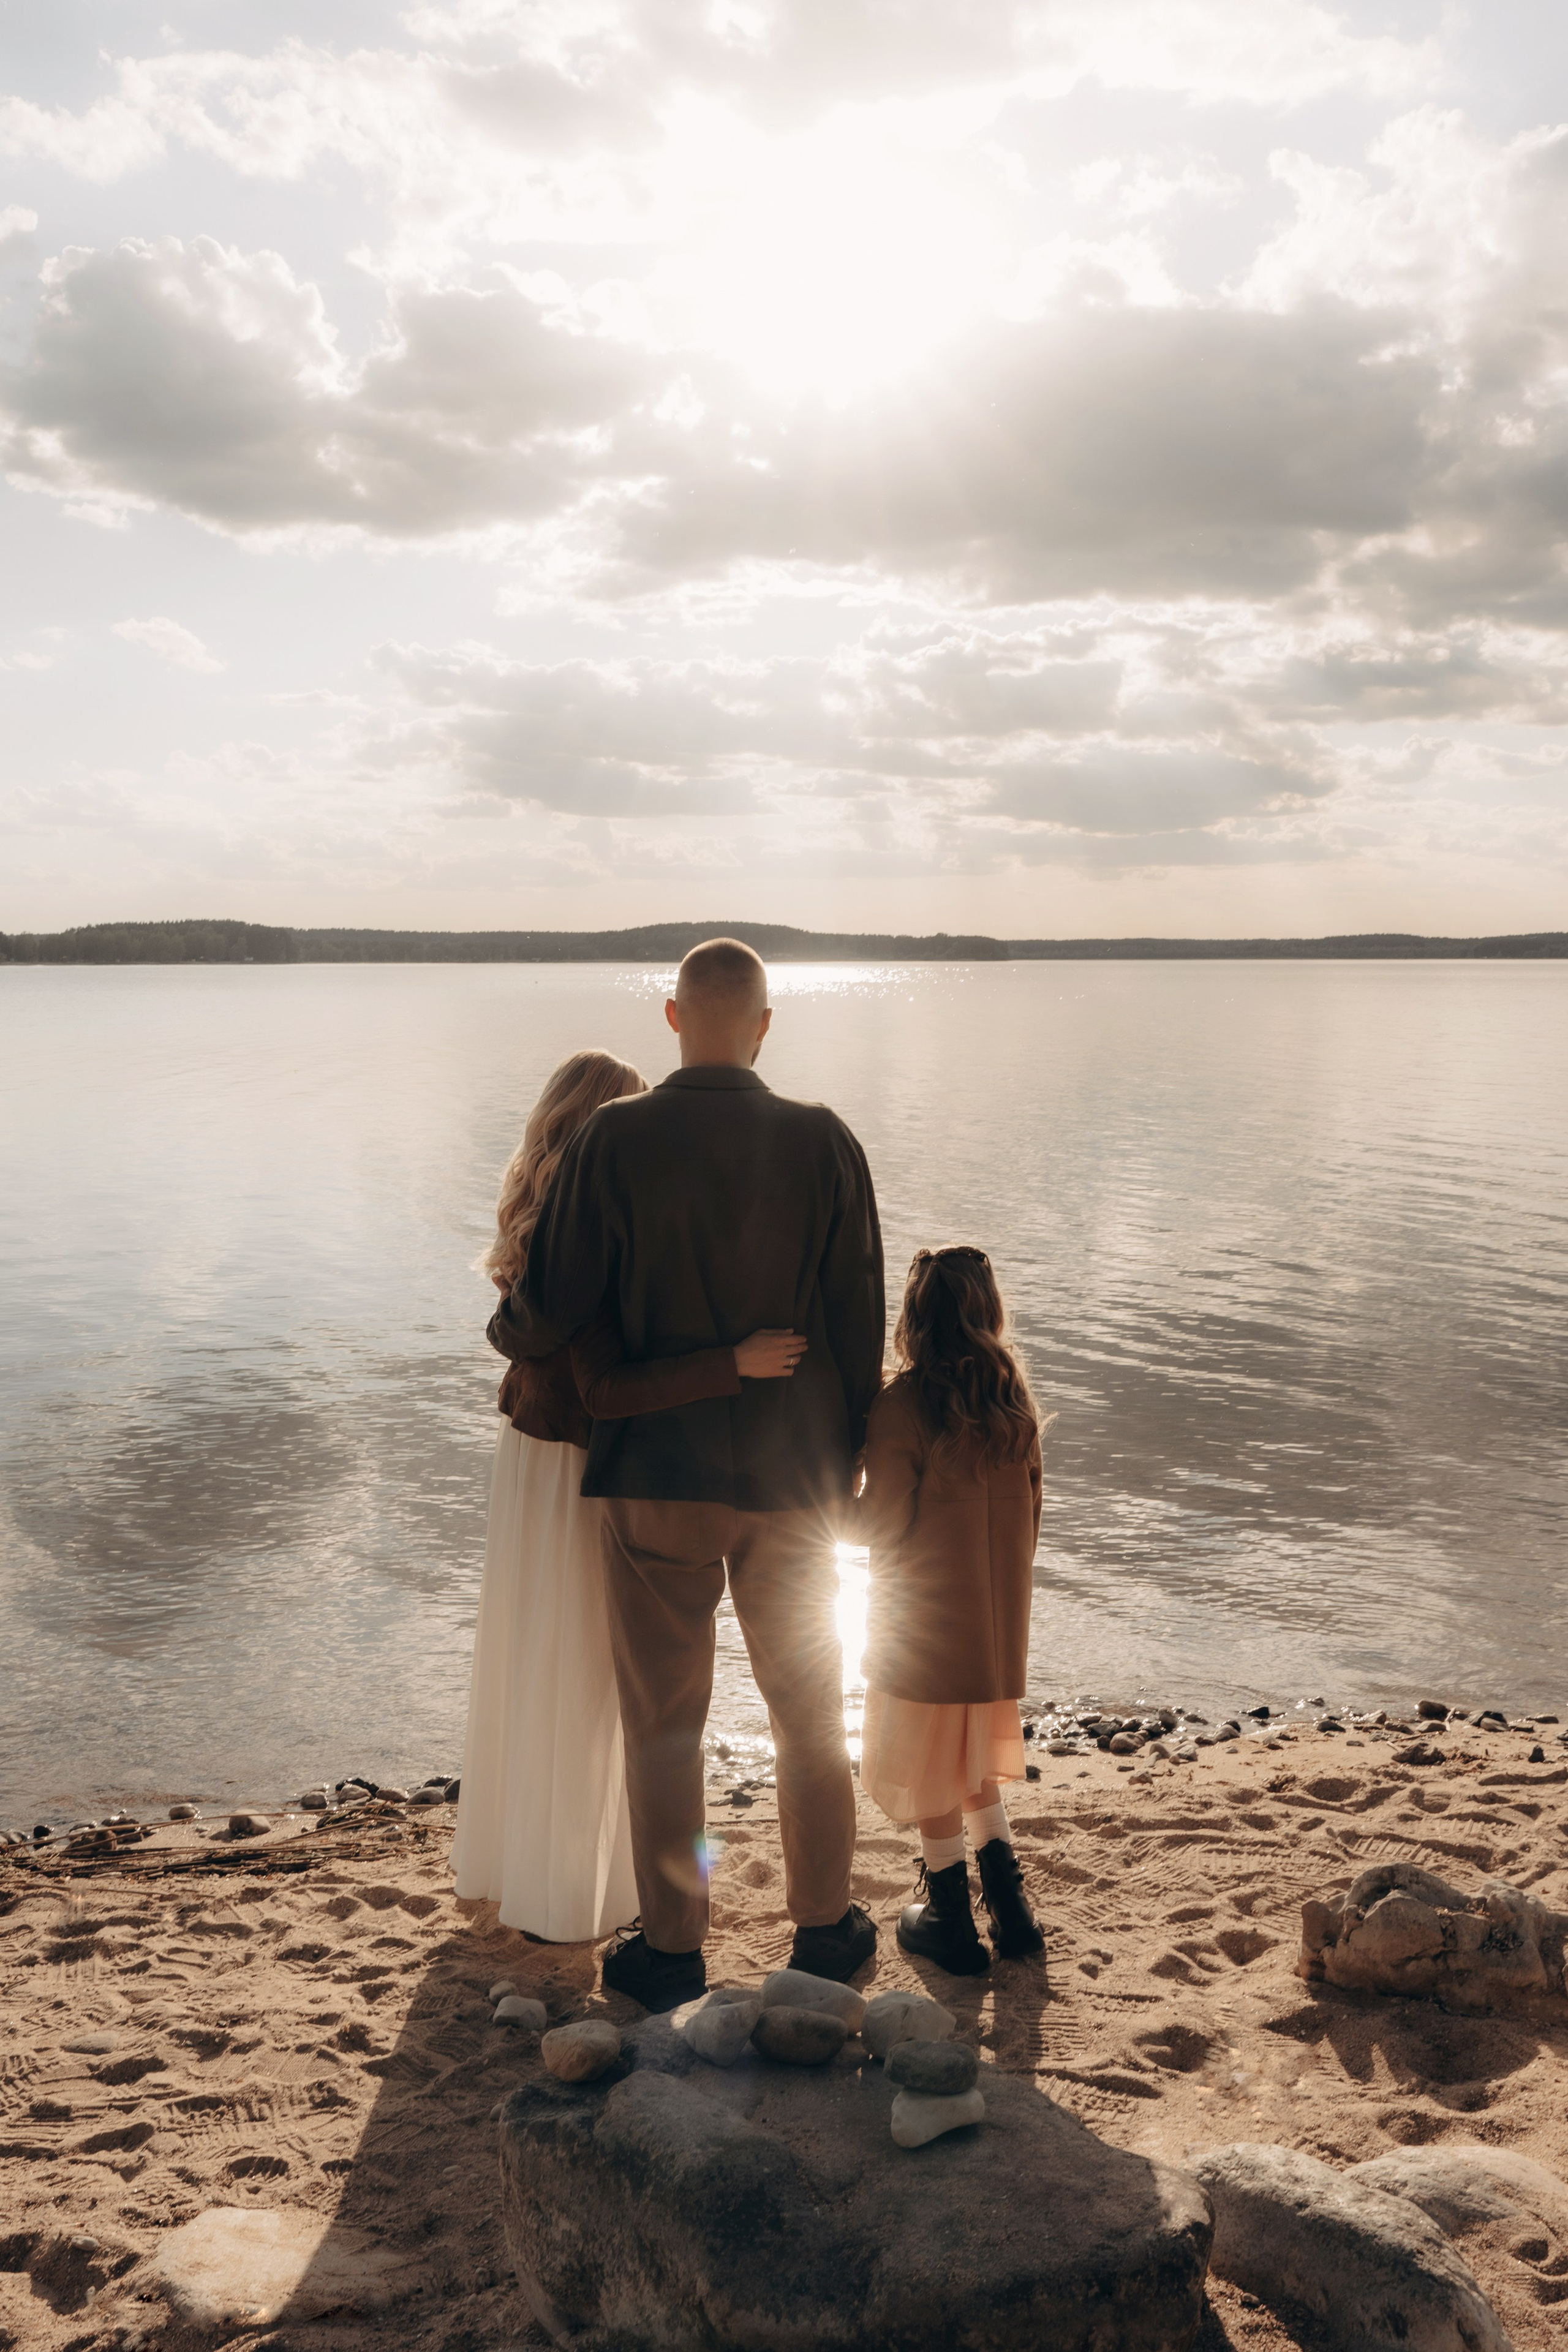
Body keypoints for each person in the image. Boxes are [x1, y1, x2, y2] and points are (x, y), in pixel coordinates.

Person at [489, 939, 885, 2011]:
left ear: (673, 1018)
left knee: (666, 1721)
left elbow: (555, 1302)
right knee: (808, 1716)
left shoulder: (613, 1140)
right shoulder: (825, 1142)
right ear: (765, 1024)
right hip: (793, 1482)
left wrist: (506, 1325)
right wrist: (852, 1465)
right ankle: (824, 1934)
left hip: (656, 1478)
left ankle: (672, 1947)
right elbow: (857, 1325)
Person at [452, 1047, 809, 1943]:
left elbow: (522, 1332)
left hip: (532, 1459)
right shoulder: (598, 1230)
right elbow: (609, 1386)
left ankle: (540, 1868)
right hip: (583, 1464)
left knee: (545, 1664)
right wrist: (731, 1365)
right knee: (599, 1677)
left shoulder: (541, 1220)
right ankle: (588, 1888)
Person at [856, 1243, 1046, 1975]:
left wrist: (831, 1501)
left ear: (911, 1318)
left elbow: (879, 1526)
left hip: (924, 1627)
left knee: (932, 1767)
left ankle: (950, 1917)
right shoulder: (1013, 1401)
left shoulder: (902, 1405)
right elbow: (1032, 1519)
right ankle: (1012, 1908)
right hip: (994, 1631)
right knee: (971, 1763)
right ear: (989, 1312)